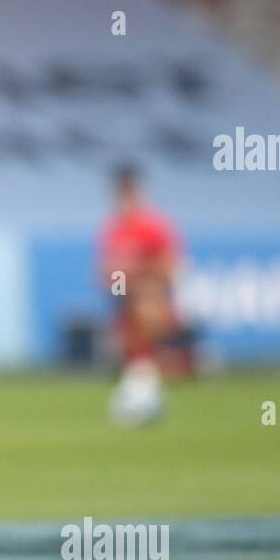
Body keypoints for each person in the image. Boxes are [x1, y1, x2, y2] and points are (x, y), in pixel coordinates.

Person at [98, 164, 189, 423]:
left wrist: (138, 275)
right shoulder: (114, 229)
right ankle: (141, 392)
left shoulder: (155, 227)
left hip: (150, 297)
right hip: (123, 301)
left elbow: (171, 266)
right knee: (127, 349)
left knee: (146, 340)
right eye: (120, 193)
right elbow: (106, 270)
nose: (124, 199)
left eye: (129, 192)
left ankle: (151, 389)